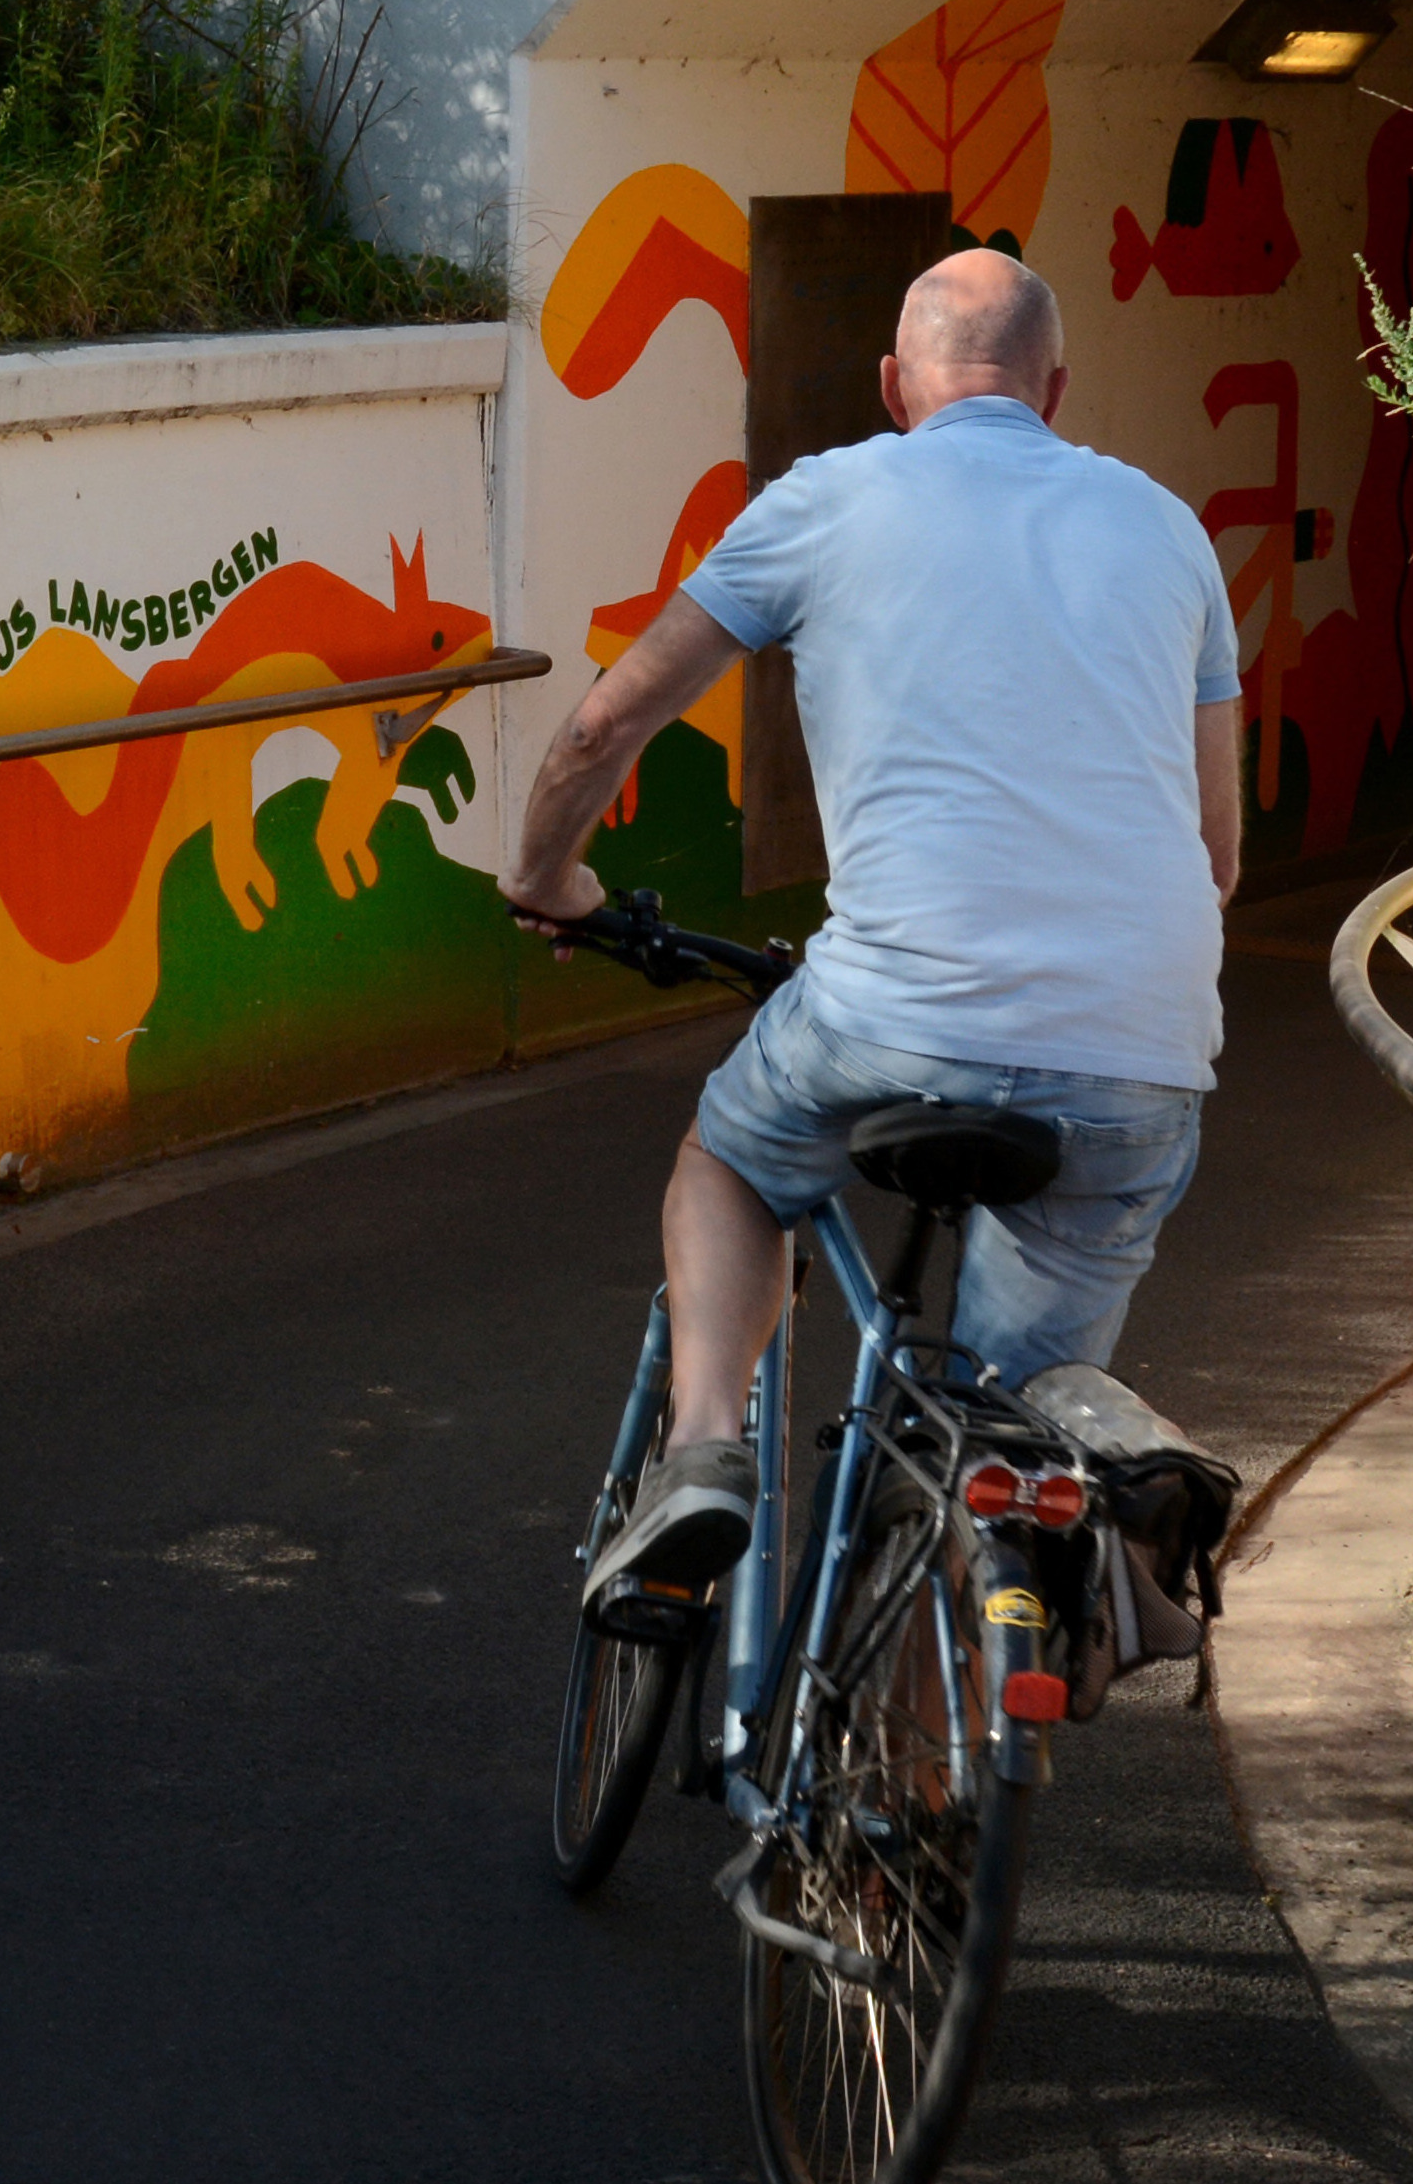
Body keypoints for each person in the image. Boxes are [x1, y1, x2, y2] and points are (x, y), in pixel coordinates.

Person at [502, 247, 1239, 1602]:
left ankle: (707, 1452)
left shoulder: (827, 501)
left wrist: (550, 875)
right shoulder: (1169, 531)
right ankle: (953, 1718)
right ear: (1054, 389)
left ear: (894, 385)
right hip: (1139, 1053)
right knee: (996, 1451)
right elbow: (1216, 854)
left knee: (728, 1162)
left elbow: (607, 720)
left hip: (893, 1019)